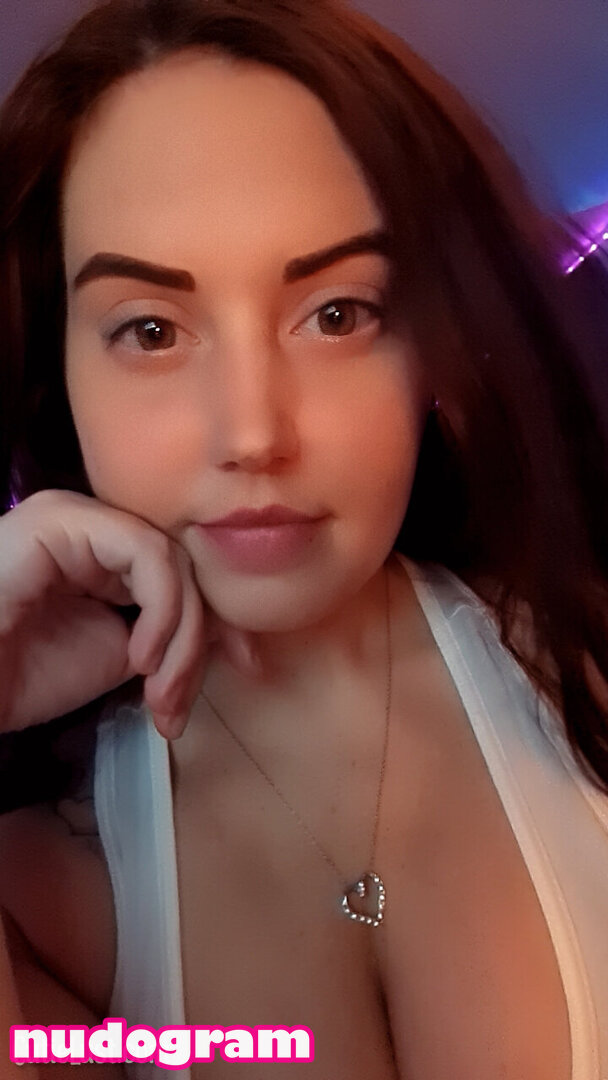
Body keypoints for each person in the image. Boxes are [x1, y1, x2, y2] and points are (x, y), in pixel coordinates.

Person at [0, 0, 607, 1077]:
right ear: (61, 378)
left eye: (337, 314)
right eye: (150, 329)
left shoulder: (586, 676)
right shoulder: (44, 880)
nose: (253, 433)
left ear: (434, 347)